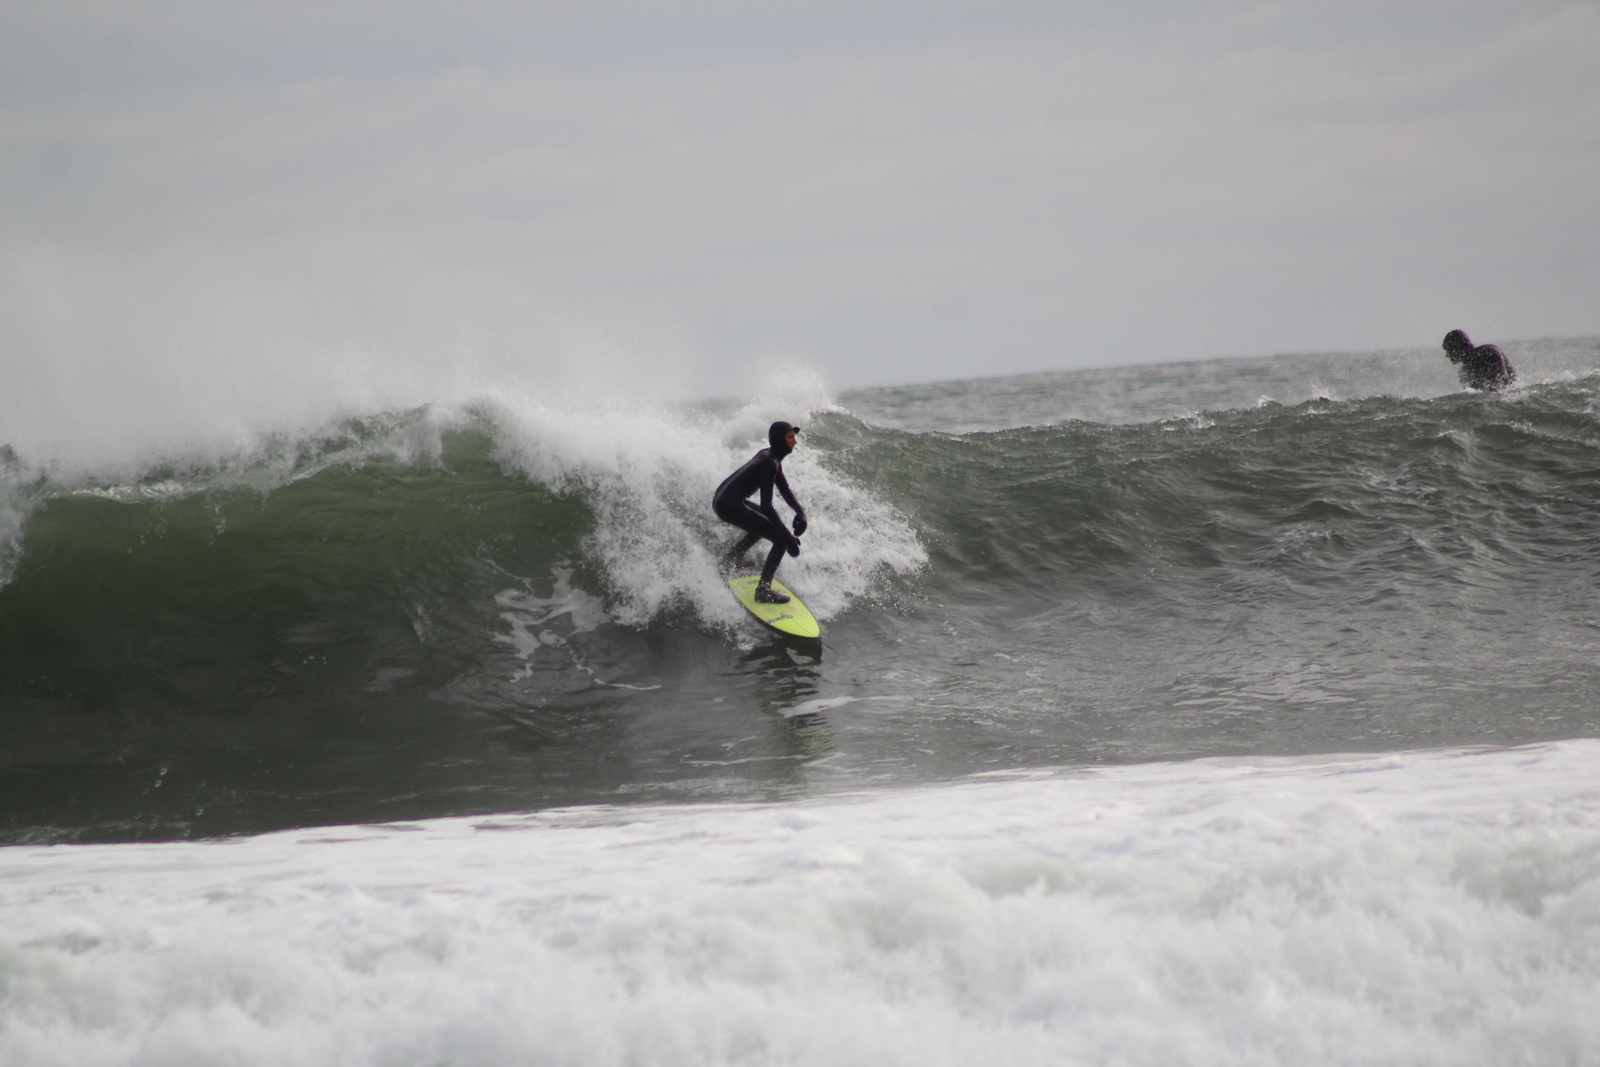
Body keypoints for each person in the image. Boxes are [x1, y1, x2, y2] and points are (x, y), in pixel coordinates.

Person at [713, 421, 808, 604]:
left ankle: (729, 561)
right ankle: (763, 592)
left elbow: (784, 489)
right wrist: (787, 537)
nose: (794, 442)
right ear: (780, 441)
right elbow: (766, 505)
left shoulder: (772, 457)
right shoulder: (768, 462)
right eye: (790, 438)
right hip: (729, 504)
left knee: (765, 526)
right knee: (779, 540)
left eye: (793, 437)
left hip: (726, 500)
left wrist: (800, 511)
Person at [1442, 329, 1516, 391]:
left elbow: (1505, 386)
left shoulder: (1488, 352)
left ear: (1456, 348)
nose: (1446, 355)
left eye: (1448, 350)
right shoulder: (1464, 372)